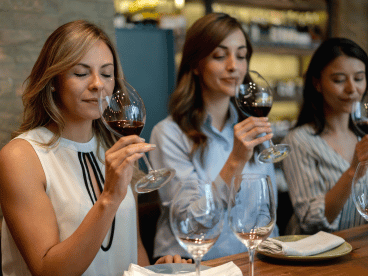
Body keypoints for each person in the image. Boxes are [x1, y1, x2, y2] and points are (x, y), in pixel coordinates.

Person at [0, 20, 189, 276]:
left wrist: (156, 271)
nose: (98, 84)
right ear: (53, 81)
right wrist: (109, 198)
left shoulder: (113, 149)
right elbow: (47, 271)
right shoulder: (21, 157)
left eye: (107, 73)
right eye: (81, 73)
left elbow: (133, 250)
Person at [149, 13, 279, 261]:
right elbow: (191, 223)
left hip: (249, 263)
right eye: (220, 56)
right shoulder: (169, 133)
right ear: (195, 65)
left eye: (241, 56)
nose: (234, 66)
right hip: (192, 265)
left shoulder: (253, 127)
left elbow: (266, 214)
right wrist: (236, 160)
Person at [282, 38, 368, 234]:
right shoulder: (299, 141)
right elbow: (311, 221)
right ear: (317, 83)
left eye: (359, 78)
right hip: (315, 258)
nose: (352, 89)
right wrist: (354, 170)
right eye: (339, 80)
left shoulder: (362, 136)